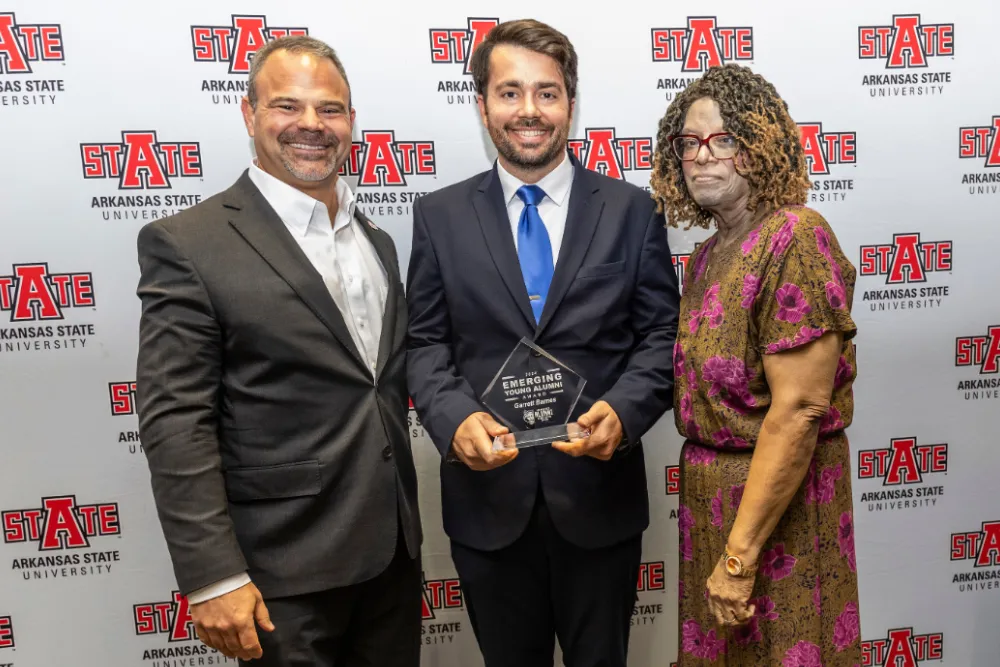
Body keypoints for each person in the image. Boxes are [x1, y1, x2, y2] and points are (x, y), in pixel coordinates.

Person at [134, 35, 421, 667]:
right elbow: (175, 420)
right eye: (288, 106)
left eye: (331, 109)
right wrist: (213, 576)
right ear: (249, 114)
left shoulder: (377, 238)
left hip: (392, 560)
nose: (312, 126)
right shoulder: (189, 243)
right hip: (280, 577)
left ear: (351, 121)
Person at [406, 18, 679, 667]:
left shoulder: (631, 210)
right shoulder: (438, 217)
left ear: (570, 103)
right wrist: (454, 417)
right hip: (487, 510)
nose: (529, 110)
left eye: (547, 93)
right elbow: (423, 345)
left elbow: (661, 336)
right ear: (482, 105)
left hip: (598, 503)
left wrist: (626, 408)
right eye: (510, 92)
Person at [649, 63, 861, 665]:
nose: (702, 156)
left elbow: (798, 410)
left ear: (761, 145)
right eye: (689, 143)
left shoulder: (795, 236)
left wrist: (739, 558)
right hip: (712, 504)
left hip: (777, 513)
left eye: (724, 140)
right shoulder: (709, 254)